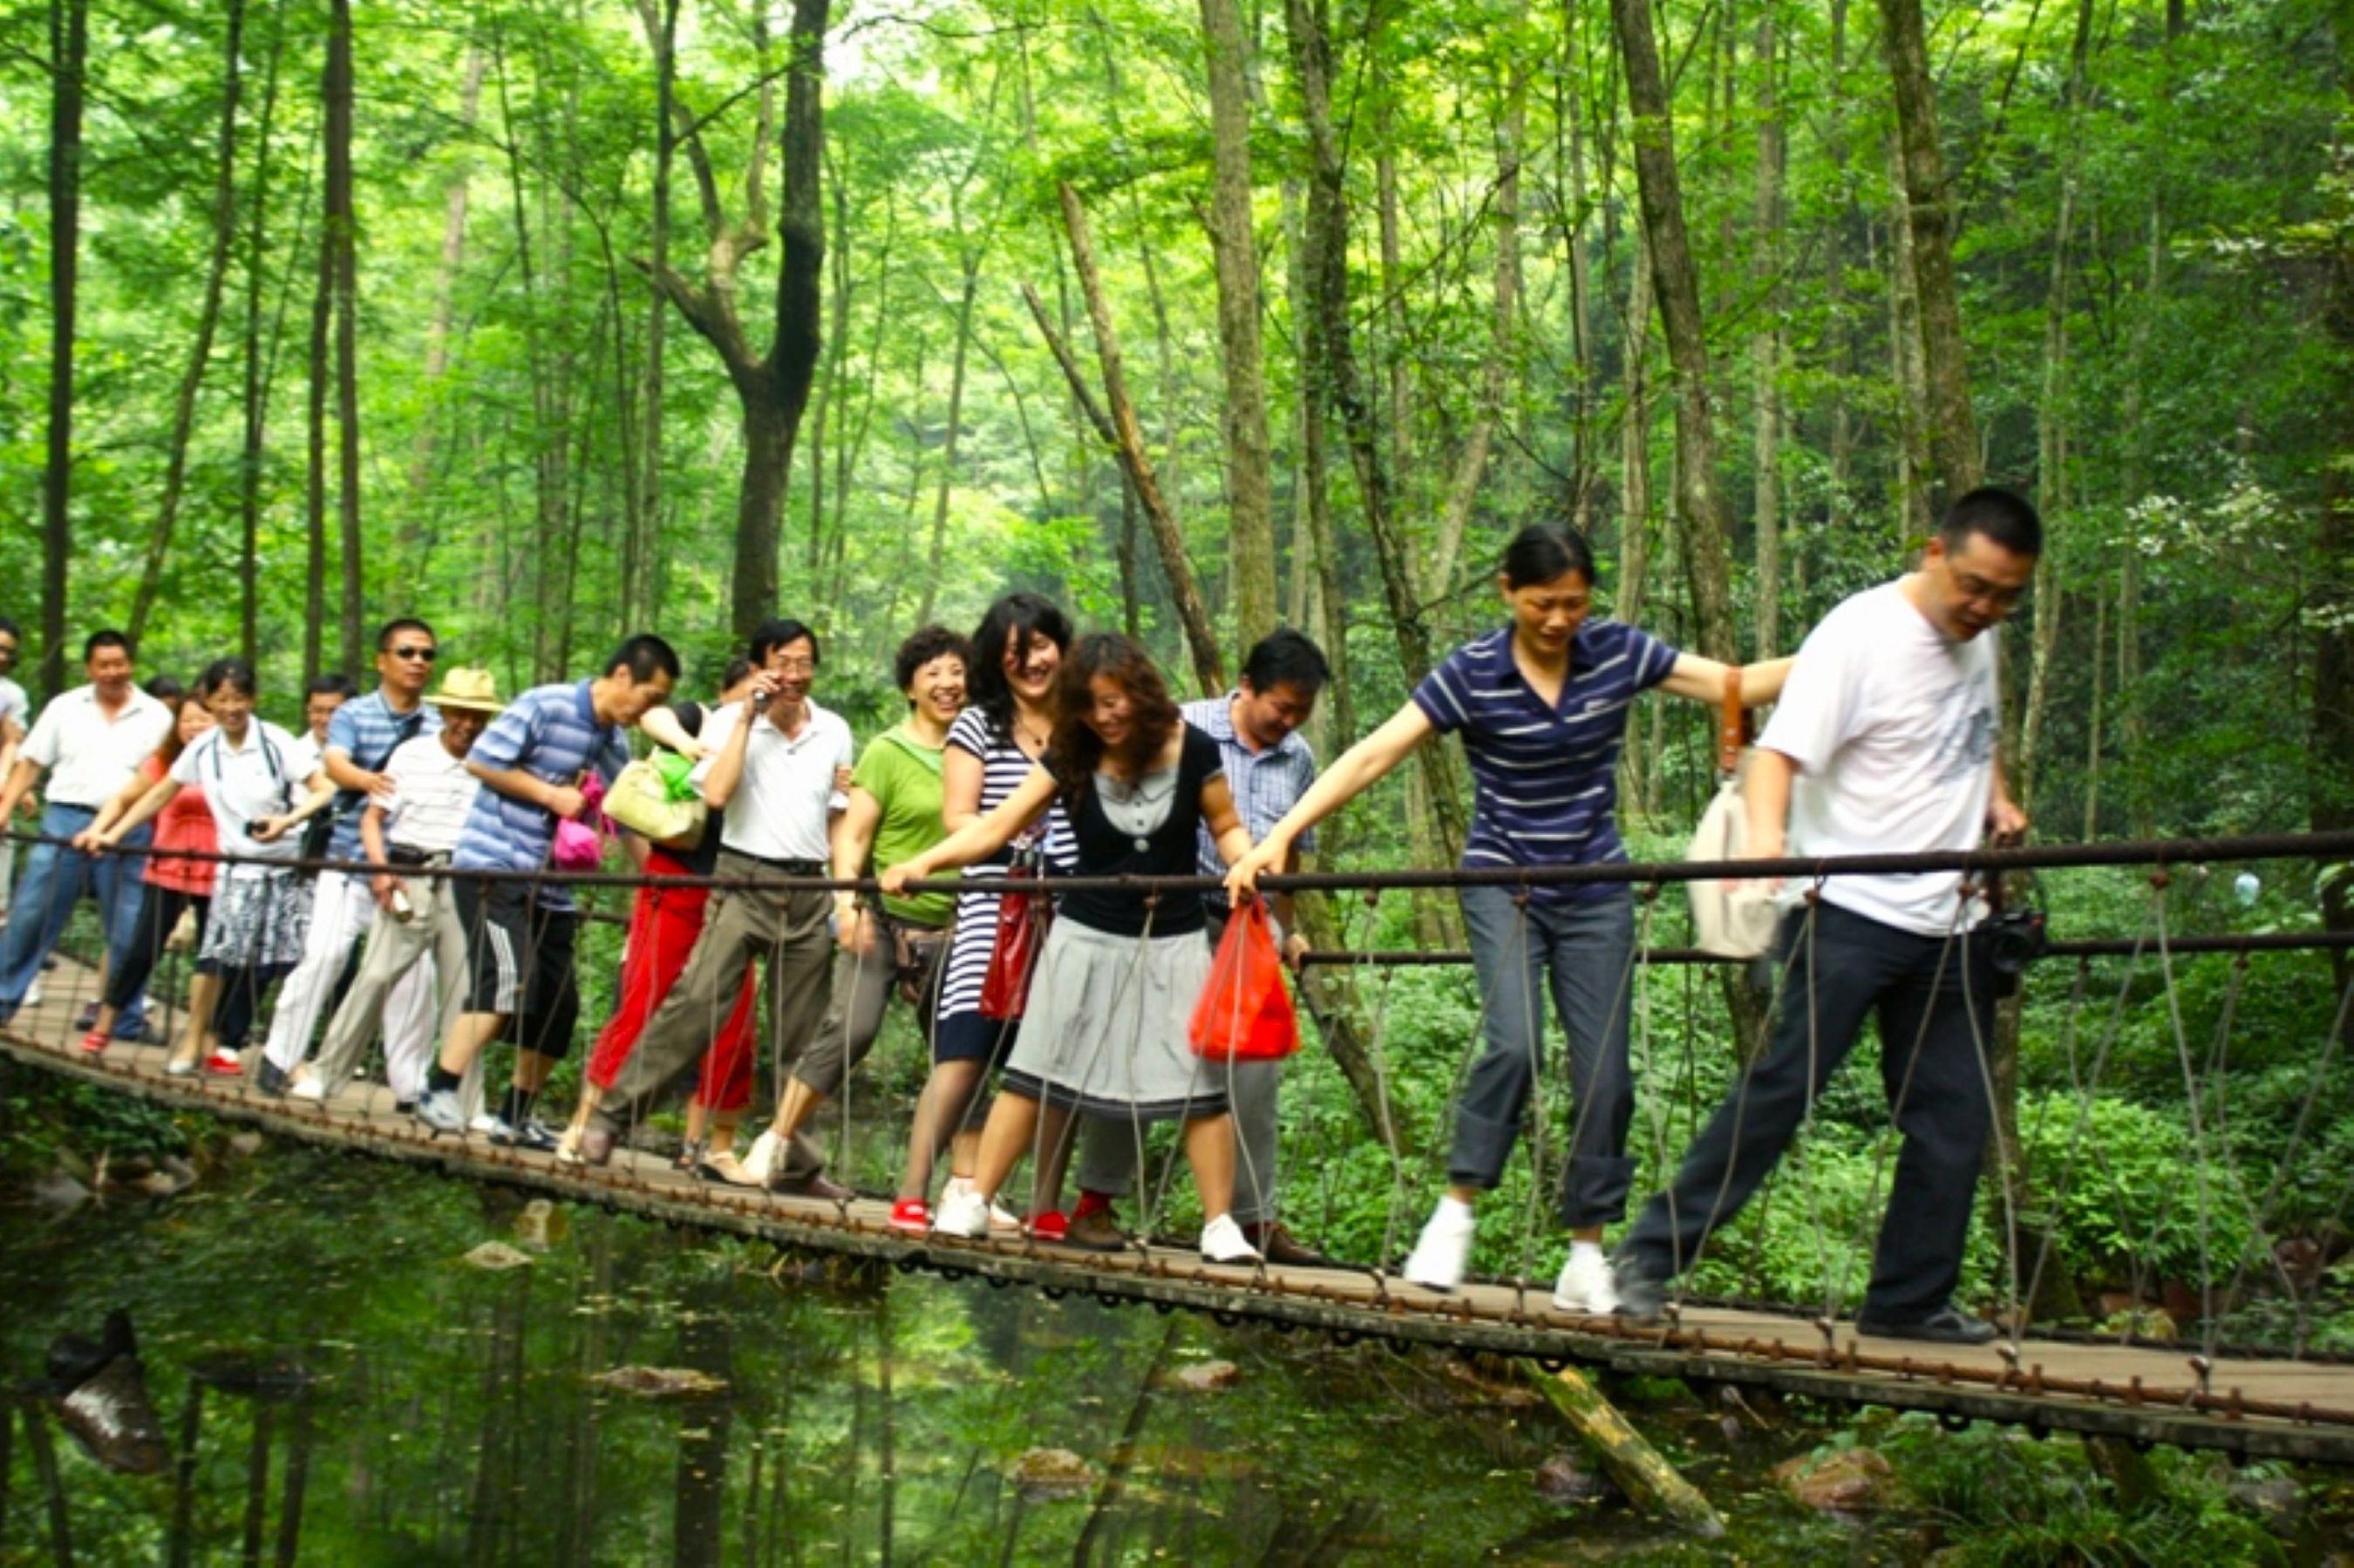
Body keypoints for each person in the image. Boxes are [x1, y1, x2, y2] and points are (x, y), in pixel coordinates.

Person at [1229, 524, 1793, 1311]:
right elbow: (1373, 754)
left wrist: (1860, 649)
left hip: (1596, 885)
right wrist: (1281, 836)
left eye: (1573, 603)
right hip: (1503, 880)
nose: (1558, 620)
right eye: (1541, 603)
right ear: (1507, 592)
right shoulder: (1474, 672)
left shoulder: (1618, 651)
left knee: (1607, 1075)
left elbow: (1737, 682)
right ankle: (1456, 1209)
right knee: (1516, 1044)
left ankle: (1585, 1252)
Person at [1609, 488, 2041, 1345]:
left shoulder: (1981, 638)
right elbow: (1775, 754)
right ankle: (1648, 1256)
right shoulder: (1859, 635)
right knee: (1779, 1092)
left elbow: (1974, 726)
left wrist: (1995, 794)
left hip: (1950, 919)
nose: (1986, 607)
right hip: (1847, 908)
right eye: (1974, 586)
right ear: (1933, 553)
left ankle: (1907, 1300)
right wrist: (1767, 852)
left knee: (1954, 1118)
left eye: (2005, 596)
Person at [886, 633, 1264, 1265]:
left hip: (1172, 937)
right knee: (1034, 1070)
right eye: (1090, 706)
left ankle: (1219, 1223)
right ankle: (976, 1199)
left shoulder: (1190, 747)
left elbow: (1225, 825)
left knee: (1200, 1084)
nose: (1105, 716)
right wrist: (923, 861)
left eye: (1114, 701)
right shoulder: (1072, 752)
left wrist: (1246, 863)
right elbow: (997, 827)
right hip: (1084, 937)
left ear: (1139, 692)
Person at [1070, 628, 1337, 1264]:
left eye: (1302, 709)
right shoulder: (1180, 728)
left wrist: (1285, 923)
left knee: (1254, 1070)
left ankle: (1252, 1218)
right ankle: (1095, 1201)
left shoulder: (1297, 756)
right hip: (1168, 918)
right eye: (1281, 705)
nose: (1290, 719)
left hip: (1249, 928)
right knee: (1132, 1052)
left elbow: (1290, 847)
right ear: (1246, 686)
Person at [575, 620, 854, 1191]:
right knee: (696, 1001)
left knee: (803, 1032)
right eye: (784, 663)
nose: (795, 675)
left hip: (806, 888)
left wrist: (843, 892)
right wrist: (748, 721)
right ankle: (610, 1118)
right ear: (760, 668)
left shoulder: (833, 730)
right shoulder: (731, 721)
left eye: (805, 663)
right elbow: (719, 793)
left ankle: (798, 1162)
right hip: (741, 878)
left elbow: (837, 813)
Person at [414, 635, 679, 1137]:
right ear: (623, 676)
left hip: (553, 886)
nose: (650, 711)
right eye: (651, 698)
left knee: (559, 1005)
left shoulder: (612, 742)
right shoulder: (545, 705)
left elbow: (624, 816)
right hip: (496, 868)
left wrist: (658, 881)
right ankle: (440, 1088)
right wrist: (549, 795)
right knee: (509, 983)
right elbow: (482, 760)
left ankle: (515, 1117)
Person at [742, 625, 969, 1194]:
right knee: (852, 1028)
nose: (947, 684)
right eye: (933, 673)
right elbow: (853, 836)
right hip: (888, 919)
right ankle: (776, 1138)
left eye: (957, 672)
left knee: (961, 1049)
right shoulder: (888, 751)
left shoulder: (980, 749)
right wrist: (847, 903)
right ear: (911, 687)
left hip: (957, 925)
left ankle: (968, 1184)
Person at [886, 594, 1077, 1233]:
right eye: (1015, 651)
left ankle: (1047, 1203)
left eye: (1042, 645)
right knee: (964, 1050)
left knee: (1055, 1060)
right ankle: (914, 1189)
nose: (1031, 661)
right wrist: (1017, 834)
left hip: (1072, 906)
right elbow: (959, 816)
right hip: (993, 902)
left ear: (1062, 645)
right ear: (997, 659)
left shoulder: (1084, 722)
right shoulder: (978, 725)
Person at [555, 658, 766, 1169]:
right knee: (644, 1001)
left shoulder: (777, 745)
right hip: (677, 881)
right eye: (748, 691)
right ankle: (585, 1122)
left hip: (735, 892)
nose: (758, 699)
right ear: (725, 691)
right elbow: (655, 717)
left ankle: (709, 1147)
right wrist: (691, 743)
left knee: (735, 1017)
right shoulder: (699, 718)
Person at [86, 660, 331, 1076]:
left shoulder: (275, 741)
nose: (231, 708)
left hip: (285, 868)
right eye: (221, 699)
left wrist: (287, 822)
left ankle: (289, 1059)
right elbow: (162, 791)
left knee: (285, 961)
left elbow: (323, 789)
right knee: (218, 956)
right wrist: (114, 832)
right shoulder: (204, 747)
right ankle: (194, 1040)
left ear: (253, 700)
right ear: (210, 702)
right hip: (236, 868)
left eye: (239, 698)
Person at [300, 669, 506, 1107]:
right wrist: (380, 869)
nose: (467, 724)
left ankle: (466, 1104)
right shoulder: (411, 754)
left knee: (463, 993)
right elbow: (372, 819)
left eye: (476, 716)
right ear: (445, 711)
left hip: (464, 883)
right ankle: (325, 1073)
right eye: (459, 714)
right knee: (373, 977)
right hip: (409, 874)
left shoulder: (493, 763)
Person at [258, 621, 444, 1089]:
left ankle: (410, 1082)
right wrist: (369, 782)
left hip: (411, 868)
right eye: (406, 652)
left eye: (426, 654)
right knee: (325, 956)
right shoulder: (355, 714)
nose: (417, 661)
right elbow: (334, 763)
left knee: (414, 978)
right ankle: (280, 1056)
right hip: (349, 861)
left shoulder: (441, 723)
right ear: (382, 659)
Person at [0, 631, 174, 1033]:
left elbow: (164, 779)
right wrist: (6, 806)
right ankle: (4, 999)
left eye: (120, 663)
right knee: (31, 913)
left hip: (128, 830)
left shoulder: (157, 715)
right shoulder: (65, 707)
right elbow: (31, 762)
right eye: (104, 665)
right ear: (90, 668)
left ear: (131, 663)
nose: (113, 672)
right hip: (65, 820)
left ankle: (126, 1017)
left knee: (128, 925)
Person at [71, 692, 218, 1053]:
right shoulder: (165, 763)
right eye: (188, 719)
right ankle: (106, 1025)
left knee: (214, 956)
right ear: (176, 726)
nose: (195, 726)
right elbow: (124, 799)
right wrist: (102, 832)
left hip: (219, 870)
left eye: (204, 718)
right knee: (142, 949)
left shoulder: (233, 763)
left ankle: (205, 1039)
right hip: (169, 866)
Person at [0, 618, 30, 932]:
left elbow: (14, 742)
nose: (3, 657)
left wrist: (12, 786)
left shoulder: (11, 695)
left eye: (8, 651)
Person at [289, 673, 357, 788]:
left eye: (333, 712)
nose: (325, 719)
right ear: (307, 711)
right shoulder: (292, 754)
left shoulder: (367, 753)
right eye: (318, 711)